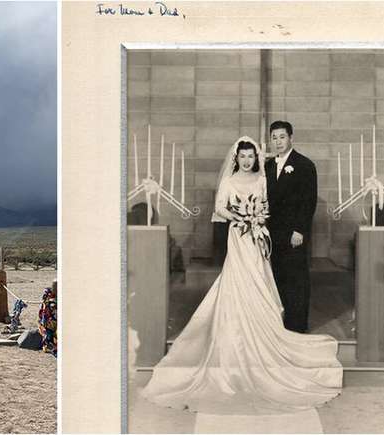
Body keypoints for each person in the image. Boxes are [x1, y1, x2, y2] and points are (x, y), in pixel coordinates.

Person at [141, 136, 341, 415]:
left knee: (259, 277)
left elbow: (268, 205)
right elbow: (219, 208)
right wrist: (240, 217)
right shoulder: (229, 181)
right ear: (236, 158)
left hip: (258, 235)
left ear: (255, 158)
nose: (247, 161)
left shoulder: (261, 180)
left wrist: (258, 217)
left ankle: (264, 329)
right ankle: (234, 331)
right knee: (238, 277)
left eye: (250, 157)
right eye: (243, 157)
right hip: (238, 236)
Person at [265, 120, 317, 333]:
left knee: (296, 278)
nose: (278, 141)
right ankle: (280, 324)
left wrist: (300, 230)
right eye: (274, 137)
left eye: (282, 137)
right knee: (277, 276)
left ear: (291, 138)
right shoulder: (267, 166)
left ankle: (297, 325)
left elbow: (308, 201)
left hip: (293, 233)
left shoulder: (304, 165)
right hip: (271, 233)